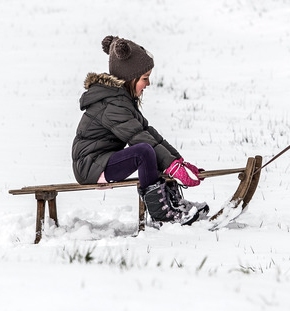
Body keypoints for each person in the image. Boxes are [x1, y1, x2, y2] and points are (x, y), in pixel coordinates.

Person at [72, 35, 210, 226]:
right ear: (130, 79)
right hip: (90, 165)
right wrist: (172, 166)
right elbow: (137, 137)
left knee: (151, 149)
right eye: (144, 78)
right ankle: (160, 214)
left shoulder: (121, 99)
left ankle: (174, 204)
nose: (148, 84)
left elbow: (146, 131)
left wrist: (178, 161)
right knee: (144, 151)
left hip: (102, 159)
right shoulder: (112, 105)